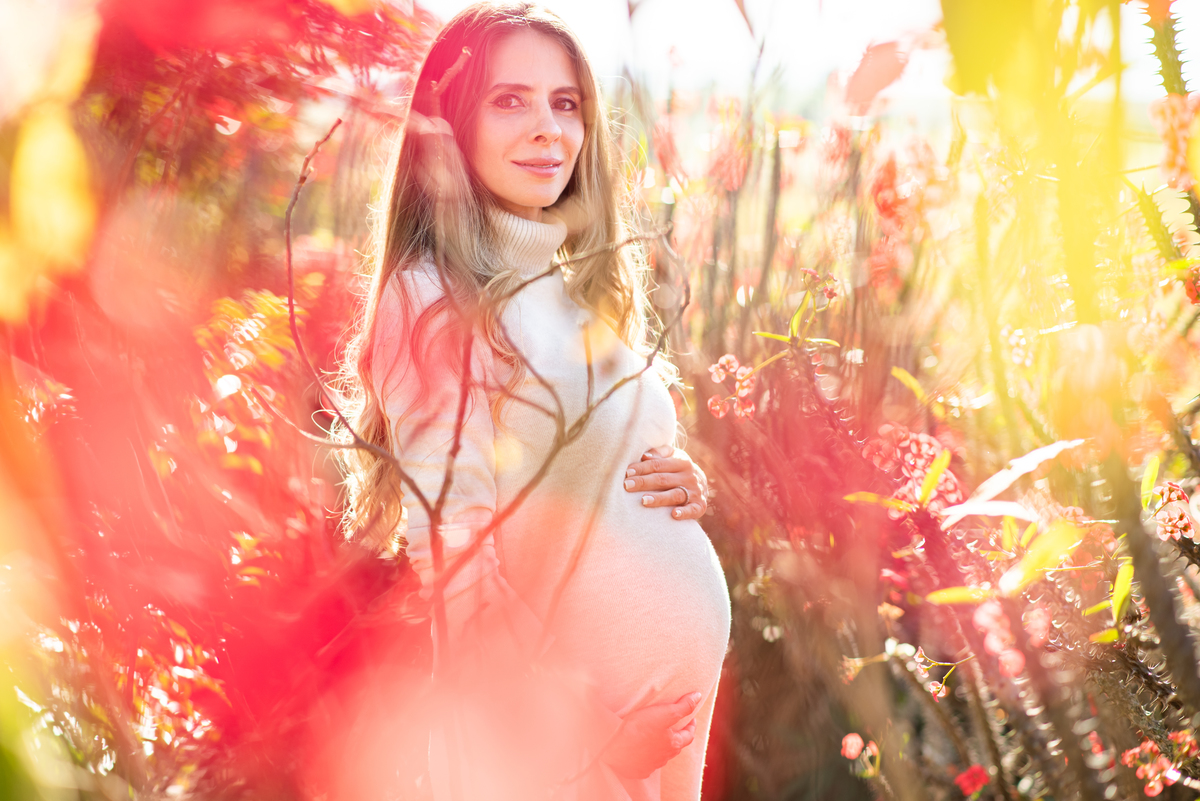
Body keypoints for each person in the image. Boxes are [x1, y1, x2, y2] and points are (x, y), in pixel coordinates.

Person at [335, 4, 731, 799]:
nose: (549, 128)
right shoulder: (430, 300)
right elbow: (455, 560)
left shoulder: (574, 292)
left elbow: (599, 482)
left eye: (566, 102)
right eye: (509, 99)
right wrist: (588, 726)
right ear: (447, 126)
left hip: (644, 744)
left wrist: (684, 484)